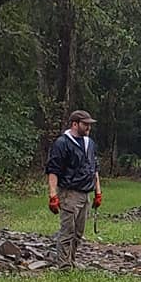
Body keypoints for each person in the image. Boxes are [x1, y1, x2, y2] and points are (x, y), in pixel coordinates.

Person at [44, 109, 102, 269]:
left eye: (90, 125)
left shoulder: (89, 143)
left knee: (78, 232)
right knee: (67, 231)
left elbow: (94, 168)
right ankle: (63, 266)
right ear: (75, 124)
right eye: (85, 124)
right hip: (69, 192)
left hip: (86, 193)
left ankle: (72, 260)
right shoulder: (62, 143)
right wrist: (53, 195)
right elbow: (53, 171)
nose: (88, 128)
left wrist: (98, 192)